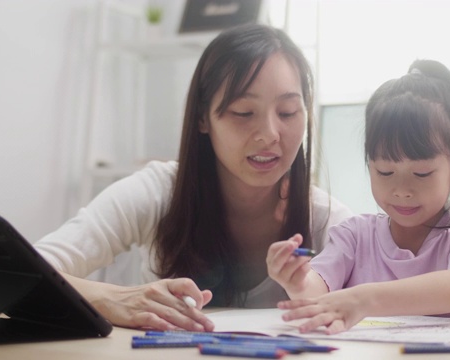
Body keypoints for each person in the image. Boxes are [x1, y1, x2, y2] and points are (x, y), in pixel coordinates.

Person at [34, 23, 352, 332]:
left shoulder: (326, 220)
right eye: (243, 112)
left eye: (287, 113)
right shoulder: (158, 192)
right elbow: (19, 272)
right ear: (202, 117)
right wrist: (114, 297)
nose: (270, 135)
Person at [266, 59, 450, 335]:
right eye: (385, 172)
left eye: (421, 173)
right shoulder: (353, 235)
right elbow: (317, 293)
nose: (402, 190)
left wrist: (364, 299)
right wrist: (297, 281)